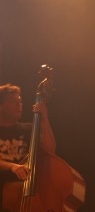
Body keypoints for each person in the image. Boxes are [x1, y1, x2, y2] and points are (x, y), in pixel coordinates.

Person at [0, 83, 56, 211]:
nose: (18, 104)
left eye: (19, 101)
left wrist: (45, 118)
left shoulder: (29, 129)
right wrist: (12, 166)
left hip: (29, 193)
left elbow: (50, 150)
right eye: (13, 101)